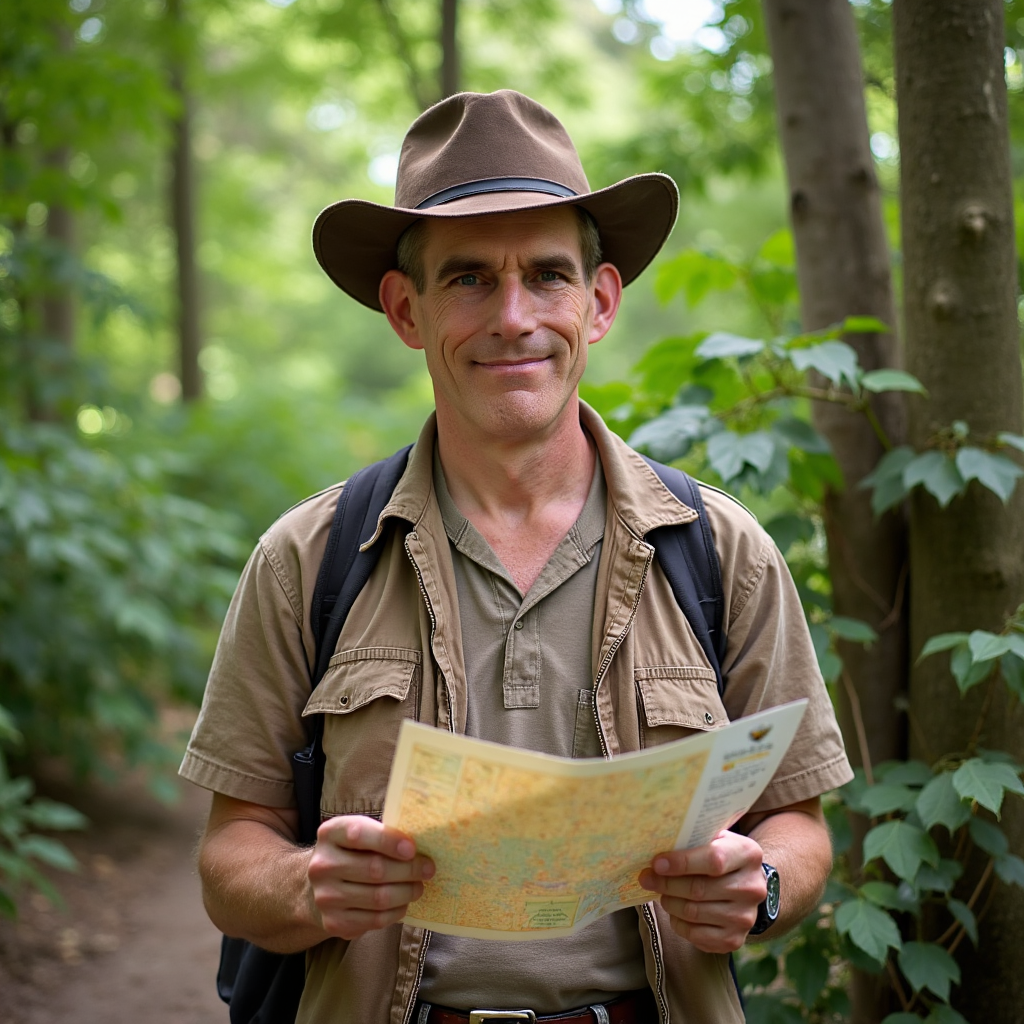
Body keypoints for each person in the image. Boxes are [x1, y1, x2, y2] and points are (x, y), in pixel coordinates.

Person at [181, 89, 853, 1024]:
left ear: (600, 301)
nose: (513, 316)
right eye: (467, 279)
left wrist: (764, 882)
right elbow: (229, 854)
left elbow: (800, 823)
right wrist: (304, 889)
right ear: (405, 309)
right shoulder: (311, 558)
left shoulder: (718, 550)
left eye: (546, 274)